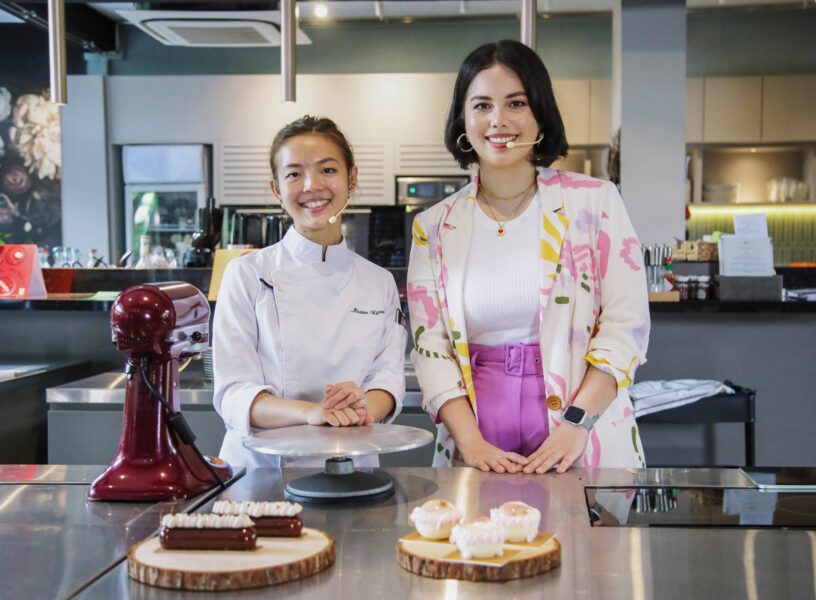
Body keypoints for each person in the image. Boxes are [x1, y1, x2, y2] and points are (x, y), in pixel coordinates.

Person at [407, 40, 650, 474]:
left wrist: (576, 424)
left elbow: (624, 326)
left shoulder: (595, 203)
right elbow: (432, 348)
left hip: (580, 427)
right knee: (479, 541)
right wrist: (473, 444)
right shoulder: (435, 226)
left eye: (515, 103)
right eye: (481, 105)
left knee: (581, 543)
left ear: (539, 112)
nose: (498, 120)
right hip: (477, 434)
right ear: (463, 119)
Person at [213, 116, 406, 468]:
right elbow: (234, 394)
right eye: (294, 174)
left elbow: (388, 379)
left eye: (327, 170)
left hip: (353, 464)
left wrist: (361, 406)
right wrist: (314, 413)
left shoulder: (379, 282)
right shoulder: (247, 275)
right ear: (276, 190)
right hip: (260, 473)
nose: (312, 185)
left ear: (352, 178)